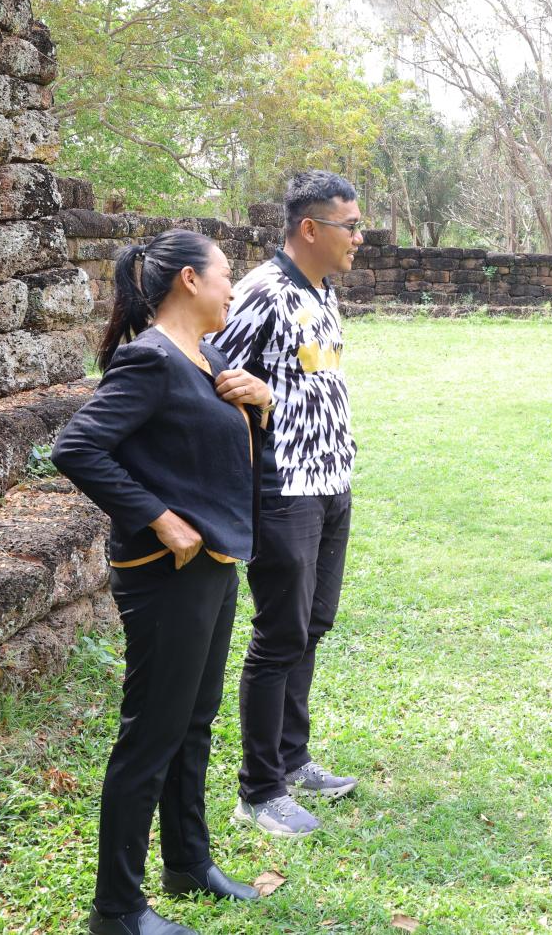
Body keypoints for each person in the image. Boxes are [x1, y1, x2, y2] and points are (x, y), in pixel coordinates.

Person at [53, 229, 272, 935]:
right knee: (151, 733)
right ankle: (116, 908)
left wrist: (260, 404)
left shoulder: (208, 356)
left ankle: (187, 863)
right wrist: (160, 518)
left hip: (214, 563)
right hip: (166, 572)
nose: (233, 286)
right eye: (225, 274)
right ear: (189, 280)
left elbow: (214, 454)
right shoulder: (150, 359)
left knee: (193, 722)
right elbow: (77, 447)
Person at [211, 170, 363, 837]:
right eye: (349, 226)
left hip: (330, 481)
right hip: (284, 488)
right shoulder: (263, 291)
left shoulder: (321, 290)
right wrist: (259, 407)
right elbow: (209, 368)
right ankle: (259, 790)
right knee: (278, 637)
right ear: (309, 228)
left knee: (312, 624)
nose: (358, 237)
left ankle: (292, 759)